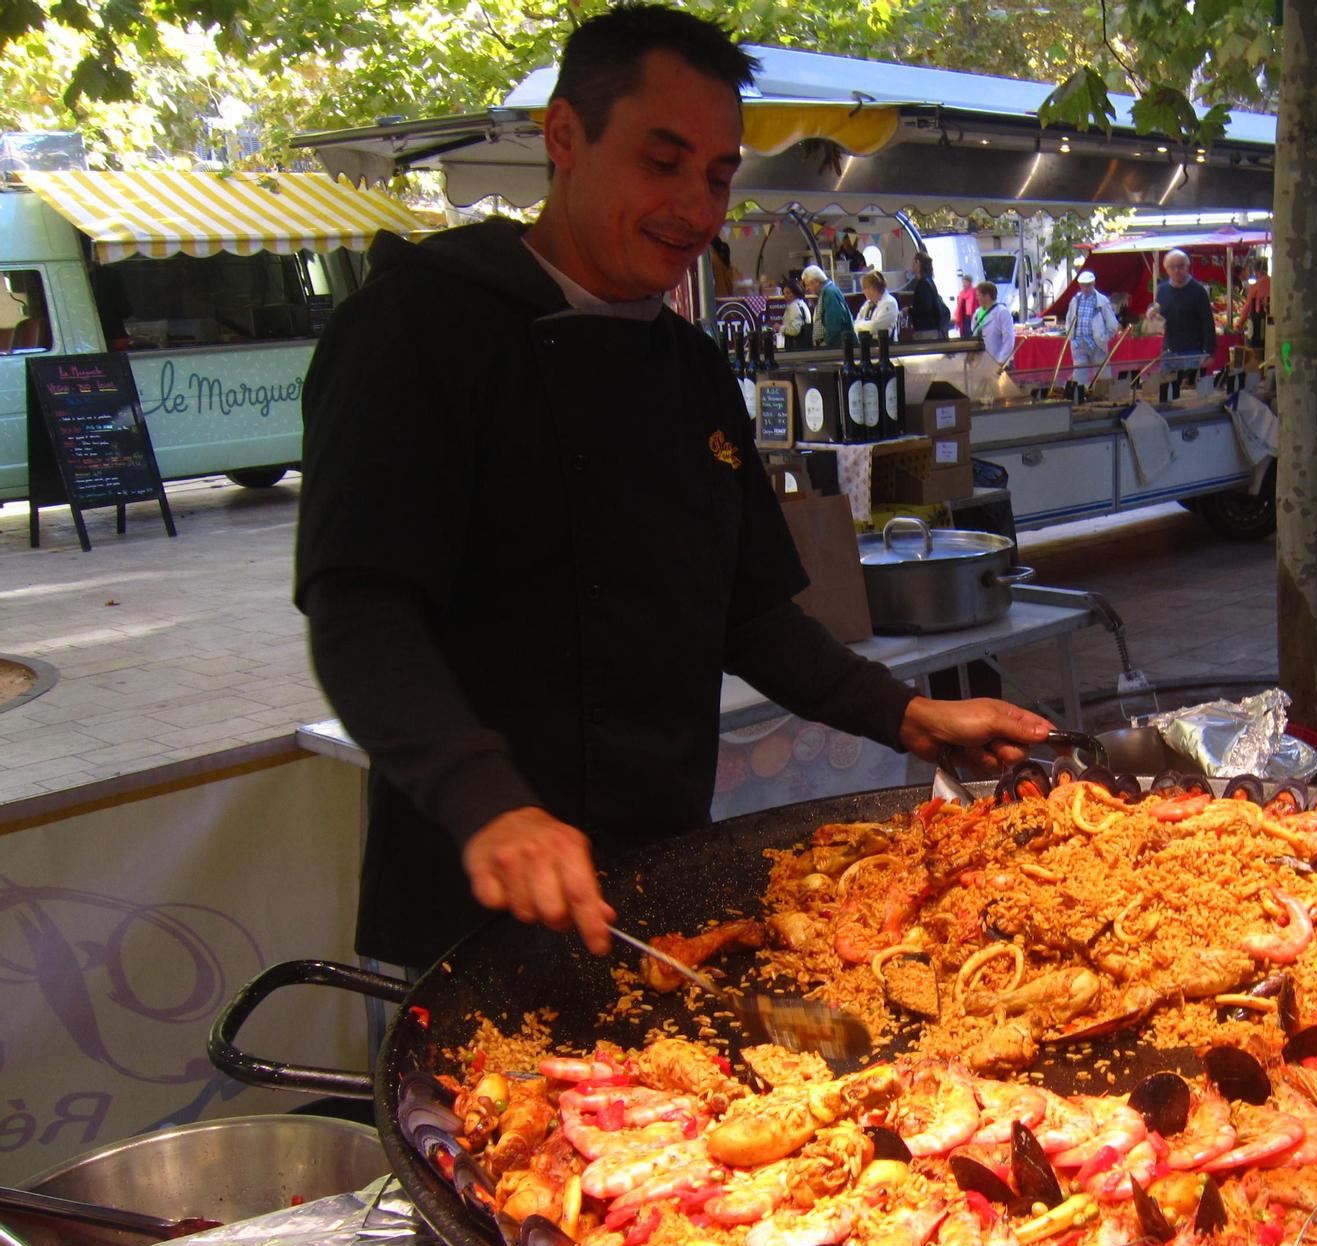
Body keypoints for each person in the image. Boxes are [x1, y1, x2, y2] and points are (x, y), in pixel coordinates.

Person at [295, 4, 1050, 969]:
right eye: (663, 163)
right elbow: (359, 609)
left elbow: (749, 614)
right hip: (470, 883)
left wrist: (906, 714)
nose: (696, 206)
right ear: (563, 136)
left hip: (659, 871)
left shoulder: (690, 367)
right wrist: (486, 800)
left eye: (717, 176)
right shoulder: (417, 328)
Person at [1152, 248, 1216, 389]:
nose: (1176, 270)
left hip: (1193, 353)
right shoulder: (1162, 290)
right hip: (1169, 352)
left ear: (1187, 267)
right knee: (1167, 392)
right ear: (1166, 269)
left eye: (1180, 266)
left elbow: (1208, 322)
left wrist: (1209, 352)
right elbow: (1159, 317)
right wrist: (1151, 316)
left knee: (1190, 393)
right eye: (1172, 267)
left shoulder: (1198, 291)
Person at [1063, 268, 1117, 383]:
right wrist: (1071, 337)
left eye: (1088, 285)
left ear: (1093, 284)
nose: (1085, 288)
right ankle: (1081, 397)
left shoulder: (1102, 301)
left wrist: (1104, 338)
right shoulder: (1075, 300)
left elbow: (1112, 324)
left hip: (1097, 343)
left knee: (1103, 375)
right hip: (1079, 343)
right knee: (1080, 377)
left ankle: (1104, 397)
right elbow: (1069, 319)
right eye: (1083, 285)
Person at [799, 263, 855, 348]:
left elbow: (835, 322)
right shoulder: (825, 293)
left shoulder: (830, 293)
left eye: (808, 285)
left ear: (816, 281)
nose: (807, 289)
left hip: (835, 346)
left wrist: (827, 343)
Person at [904, 251, 950, 340]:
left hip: (926, 330)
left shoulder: (923, 284)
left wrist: (910, 310)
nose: (912, 266)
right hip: (932, 328)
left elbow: (925, 308)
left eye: (913, 262)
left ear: (918, 262)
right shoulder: (929, 281)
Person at [854, 268, 900, 338]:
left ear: (872, 288)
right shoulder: (867, 304)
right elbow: (855, 325)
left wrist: (860, 325)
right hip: (867, 344)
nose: (863, 291)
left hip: (885, 345)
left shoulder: (889, 303)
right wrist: (862, 326)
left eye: (865, 288)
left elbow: (875, 327)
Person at [776, 271, 811, 348]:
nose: (785, 296)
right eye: (784, 293)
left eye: (788, 293)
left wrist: (780, 328)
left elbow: (795, 330)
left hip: (795, 345)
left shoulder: (794, 307)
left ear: (795, 292)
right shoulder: (802, 304)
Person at [953, 269, 980, 337]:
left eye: (965, 282)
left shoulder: (974, 291)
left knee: (971, 332)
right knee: (964, 333)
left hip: (972, 315)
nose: (963, 284)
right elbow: (959, 306)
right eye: (963, 282)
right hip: (963, 316)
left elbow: (977, 304)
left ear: (970, 282)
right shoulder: (962, 293)